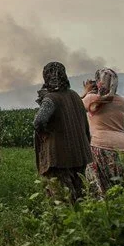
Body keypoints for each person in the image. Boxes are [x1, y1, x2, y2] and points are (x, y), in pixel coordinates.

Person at [32, 61, 93, 204]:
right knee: (80, 196)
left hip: (59, 157)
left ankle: (65, 225)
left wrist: (45, 132)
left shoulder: (50, 99)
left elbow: (38, 122)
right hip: (79, 153)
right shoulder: (75, 96)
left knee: (61, 198)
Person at [81, 67, 124, 198]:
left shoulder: (91, 98)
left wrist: (86, 91)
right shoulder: (123, 102)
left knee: (100, 190)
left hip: (101, 146)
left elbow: (74, 105)